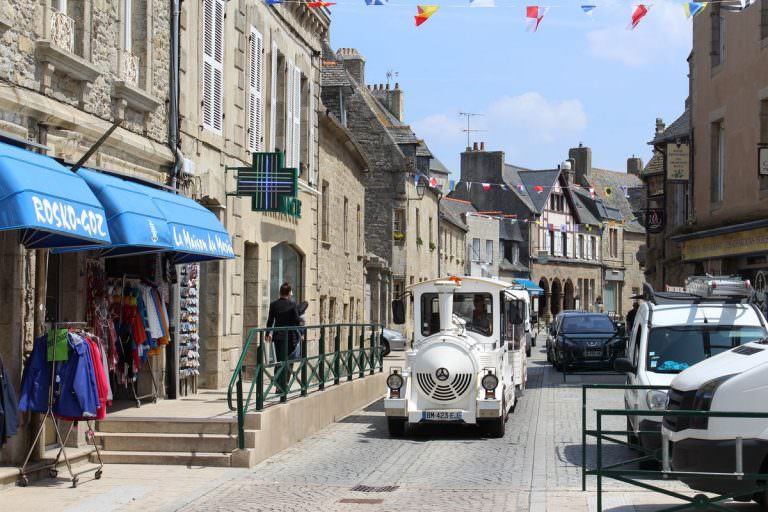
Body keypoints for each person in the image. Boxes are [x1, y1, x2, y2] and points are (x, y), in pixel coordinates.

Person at [266, 283, 300, 396]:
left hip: (278, 336)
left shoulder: (273, 304)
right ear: (289, 293)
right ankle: (284, 385)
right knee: (288, 361)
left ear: (280, 292)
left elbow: (270, 320)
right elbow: (296, 321)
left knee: (279, 361)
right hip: (290, 337)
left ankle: (278, 386)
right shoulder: (292, 304)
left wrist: (267, 333)